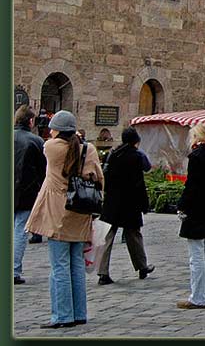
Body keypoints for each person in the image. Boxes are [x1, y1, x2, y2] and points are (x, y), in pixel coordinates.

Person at [26, 110, 103, 328]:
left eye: (52, 127)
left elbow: (50, 143)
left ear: (59, 130)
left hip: (58, 212)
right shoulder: (89, 150)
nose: (50, 131)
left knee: (59, 266)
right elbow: (99, 178)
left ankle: (62, 315)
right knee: (76, 264)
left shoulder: (51, 148)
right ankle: (79, 313)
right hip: (80, 211)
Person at [96, 127, 155, 284]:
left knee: (108, 237)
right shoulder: (136, 156)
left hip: (113, 201)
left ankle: (102, 272)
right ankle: (142, 267)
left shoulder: (113, 154)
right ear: (136, 141)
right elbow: (140, 182)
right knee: (134, 235)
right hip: (131, 202)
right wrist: (145, 204)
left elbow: (105, 176)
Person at [176, 124, 205, 309]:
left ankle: (197, 297)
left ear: (197, 136)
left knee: (196, 256)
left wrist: (182, 205)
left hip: (198, 210)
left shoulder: (197, 156)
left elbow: (192, 186)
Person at [14, 105, 45, 285]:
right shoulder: (36, 141)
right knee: (19, 231)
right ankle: (14, 270)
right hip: (26, 192)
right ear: (31, 121)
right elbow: (43, 171)